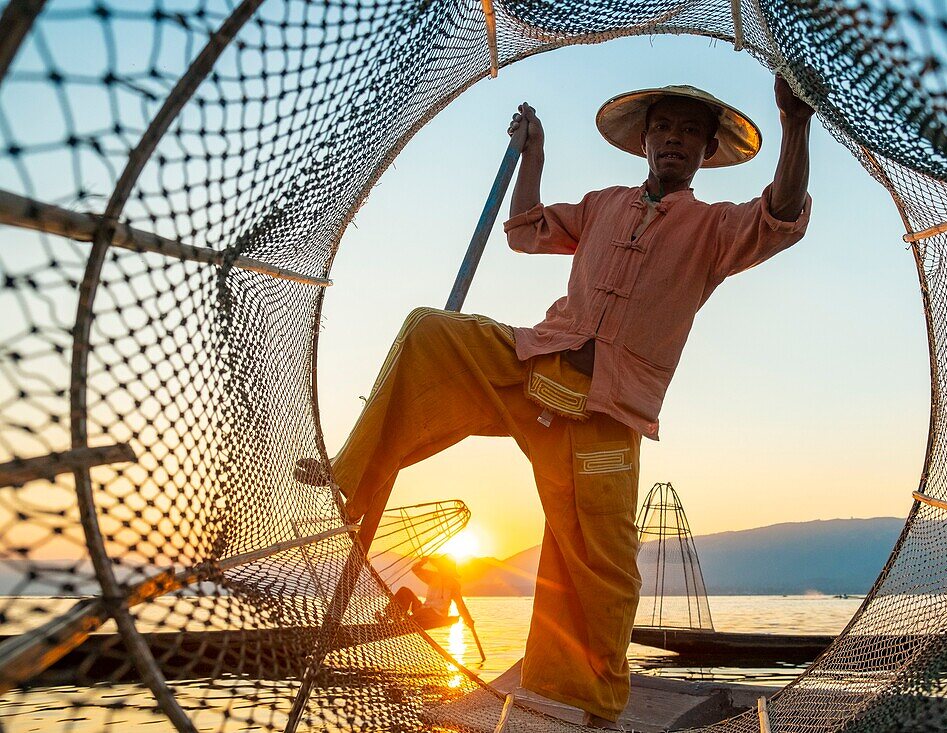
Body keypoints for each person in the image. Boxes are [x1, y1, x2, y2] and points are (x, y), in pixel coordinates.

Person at [298, 77, 813, 728]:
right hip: (533, 366)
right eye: (664, 128)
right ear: (647, 142)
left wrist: (794, 127)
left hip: (605, 414)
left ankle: (593, 707)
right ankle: (353, 471)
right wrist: (533, 155)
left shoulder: (713, 229)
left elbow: (780, 216)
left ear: (707, 150)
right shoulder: (604, 204)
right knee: (429, 331)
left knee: (605, 572)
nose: (675, 139)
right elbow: (525, 231)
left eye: (689, 131)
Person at [384, 555, 475, 631]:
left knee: (420, 614)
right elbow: (415, 569)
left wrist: (468, 620)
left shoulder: (453, 584)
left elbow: (460, 605)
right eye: (440, 566)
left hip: (437, 615)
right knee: (404, 591)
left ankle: (404, 622)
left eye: (442, 566)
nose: (440, 568)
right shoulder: (433, 577)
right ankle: (388, 617)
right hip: (424, 609)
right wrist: (422, 562)